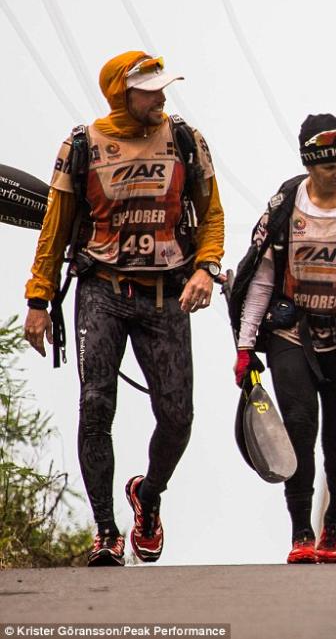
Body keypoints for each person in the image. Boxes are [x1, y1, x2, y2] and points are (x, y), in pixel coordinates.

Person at [23, 51, 225, 566]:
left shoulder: (184, 139)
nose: (161, 97)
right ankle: (106, 531)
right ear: (121, 93)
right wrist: (38, 299)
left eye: (162, 88)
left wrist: (206, 267)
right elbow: (55, 227)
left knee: (178, 416)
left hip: (167, 293)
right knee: (96, 407)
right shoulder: (82, 146)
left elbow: (212, 215)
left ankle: (148, 494)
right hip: (102, 292)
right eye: (150, 90)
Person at [233, 113, 336, 564]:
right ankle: (301, 531)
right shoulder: (285, 208)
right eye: (329, 165)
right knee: (299, 431)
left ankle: (335, 523)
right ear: (309, 163)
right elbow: (261, 281)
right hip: (291, 335)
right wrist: (246, 348)